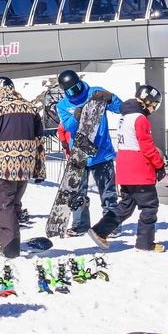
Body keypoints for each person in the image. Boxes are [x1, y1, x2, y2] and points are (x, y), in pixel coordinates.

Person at [90, 84, 166, 250]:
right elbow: (146, 146)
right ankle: (145, 244)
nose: (154, 109)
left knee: (126, 206)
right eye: (155, 105)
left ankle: (100, 231)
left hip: (125, 170)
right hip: (139, 171)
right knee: (149, 207)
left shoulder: (126, 116)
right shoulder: (140, 119)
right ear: (148, 102)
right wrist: (159, 166)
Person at [54, 69, 131, 233]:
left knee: (108, 193)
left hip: (102, 153)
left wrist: (111, 98)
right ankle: (80, 224)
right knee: (78, 193)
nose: (76, 92)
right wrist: (76, 116)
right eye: (71, 90)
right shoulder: (62, 105)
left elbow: (120, 108)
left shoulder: (95, 92)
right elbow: (68, 127)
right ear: (65, 91)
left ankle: (111, 225)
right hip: (80, 154)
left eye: (78, 87)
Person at [0, 76, 45, 258]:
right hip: (26, 165)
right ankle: (1, 241)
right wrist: (39, 168)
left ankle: (10, 247)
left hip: (6, 164)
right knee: (13, 205)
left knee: (4, 205)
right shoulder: (30, 107)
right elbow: (39, 141)